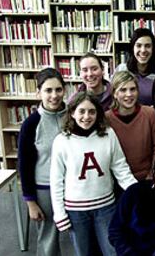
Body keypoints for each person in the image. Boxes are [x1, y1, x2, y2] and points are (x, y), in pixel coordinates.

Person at [50, 91, 137, 256]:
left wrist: (137, 192)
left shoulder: (108, 135)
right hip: (76, 211)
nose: (86, 116)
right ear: (72, 113)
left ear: (98, 113)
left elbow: (120, 168)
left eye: (92, 111)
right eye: (81, 111)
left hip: (105, 207)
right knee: (84, 252)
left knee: (112, 250)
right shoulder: (62, 141)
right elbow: (56, 181)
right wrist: (59, 213)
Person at [17, 68, 67, 256]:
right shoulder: (31, 124)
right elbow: (24, 165)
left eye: (58, 90)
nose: (54, 95)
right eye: (48, 90)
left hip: (72, 186)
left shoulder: (74, 116)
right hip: (44, 189)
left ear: (65, 90)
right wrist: (30, 201)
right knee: (49, 237)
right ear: (38, 92)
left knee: (79, 234)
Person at [106, 70, 155, 180]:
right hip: (118, 179)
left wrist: (152, 174)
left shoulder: (150, 114)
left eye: (133, 89)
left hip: (148, 177)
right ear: (114, 93)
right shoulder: (106, 119)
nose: (129, 94)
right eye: (123, 90)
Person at [116, 28, 155, 105]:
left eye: (148, 46)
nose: (143, 50)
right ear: (132, 48)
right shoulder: (121, 70)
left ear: (153, 49)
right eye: (138, 45)